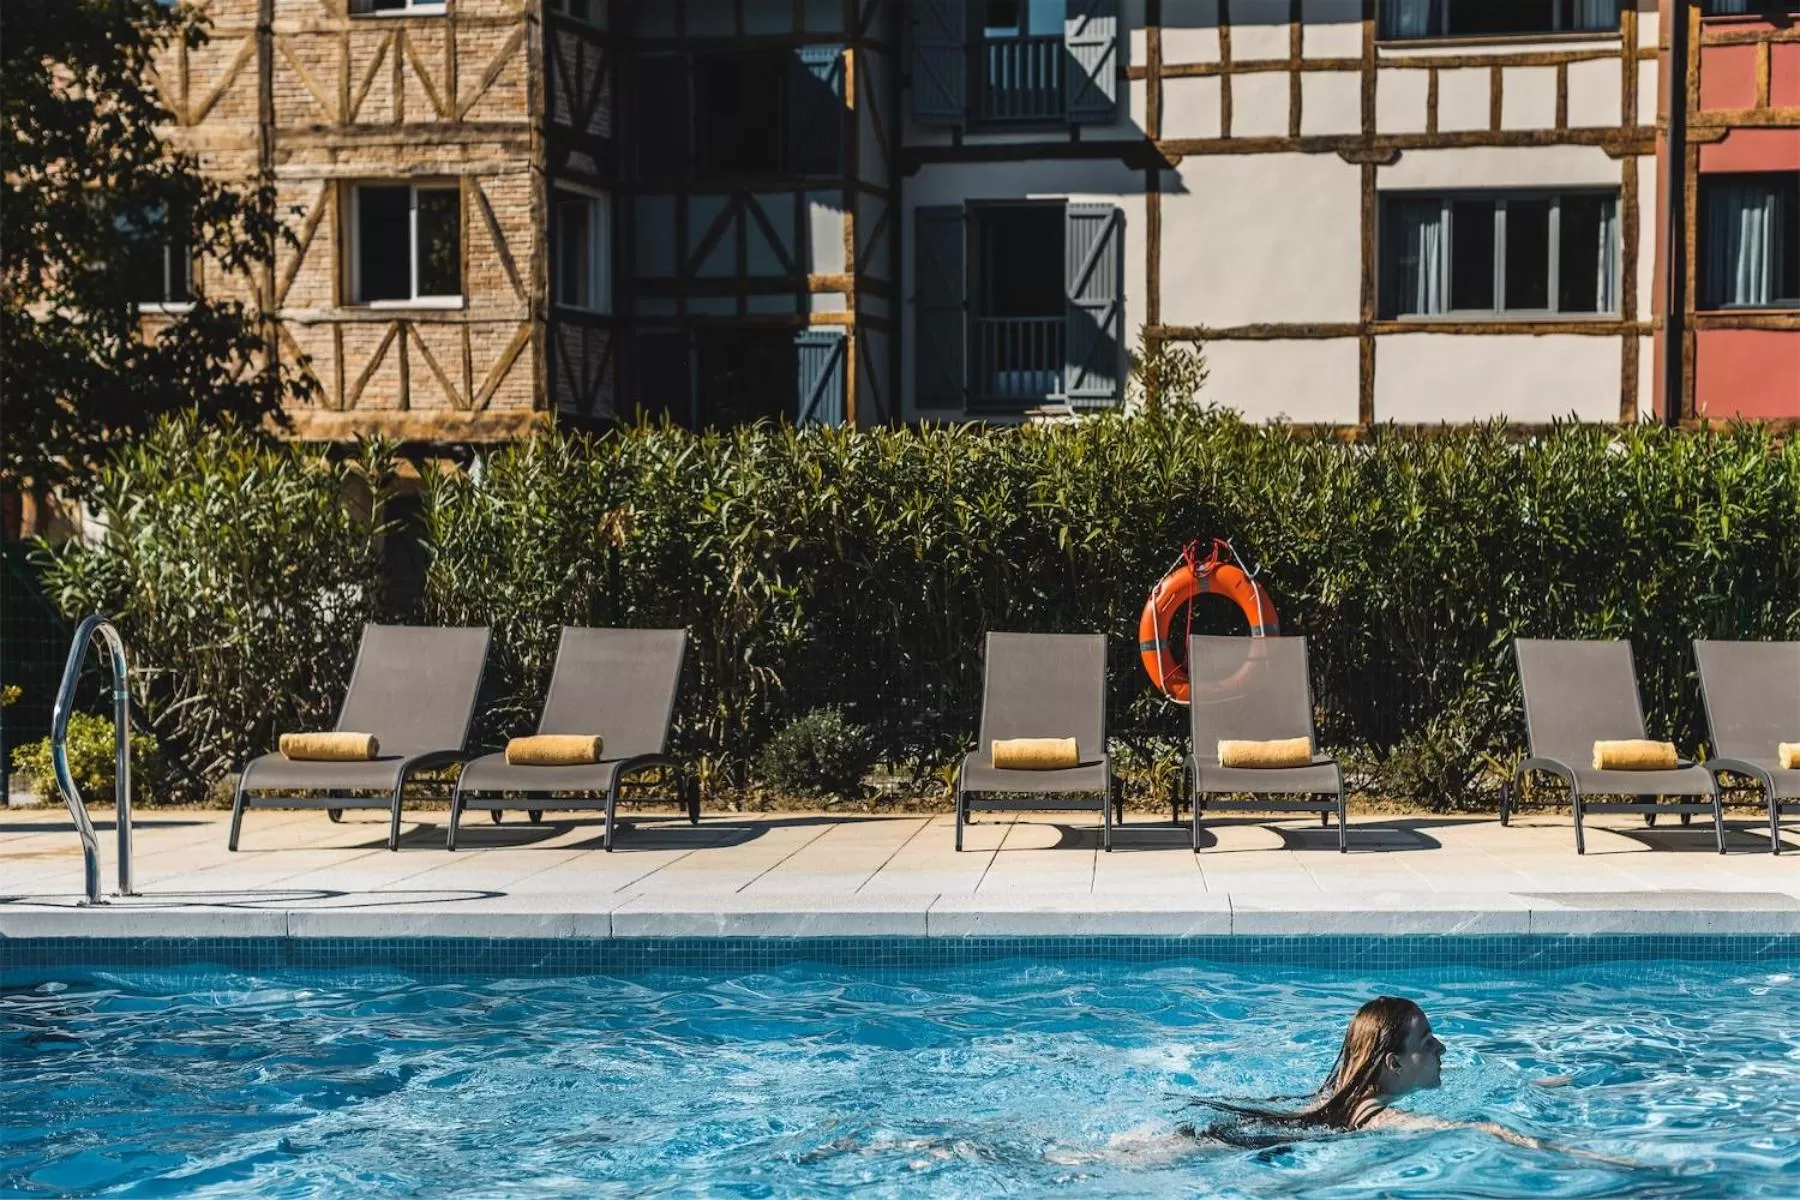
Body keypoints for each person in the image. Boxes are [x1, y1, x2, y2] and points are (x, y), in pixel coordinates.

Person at [1188, 995, 1631, 1164]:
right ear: (1394, 1064)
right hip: (1227, 1151)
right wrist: (1574, 1152)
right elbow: (1474, 1129)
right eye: (1427, 1041)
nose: (1442, 1049)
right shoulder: (1372, 1115)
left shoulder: (1340, 1092)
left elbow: (1477, 1082)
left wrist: (1555, 1082)